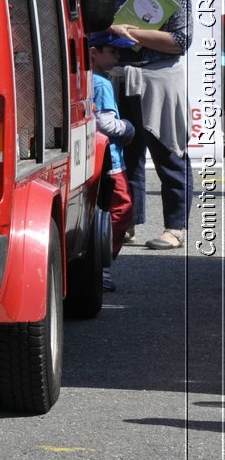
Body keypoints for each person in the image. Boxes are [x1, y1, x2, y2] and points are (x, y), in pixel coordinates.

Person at [110, 0, 193, 250]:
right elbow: (104, 28)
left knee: (168, 155)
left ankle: (175, 228)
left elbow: (181, 40)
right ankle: (129, 223)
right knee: (127, 158)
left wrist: (130, 31)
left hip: (158, 81)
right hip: (121, 77)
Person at [87, 31, 137, 289]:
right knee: (121, 210)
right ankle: (102, 267)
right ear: (94, 53)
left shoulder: (85, 79)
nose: (118, 55)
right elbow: (105, 123)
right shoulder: (102, 84)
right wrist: (128, 128)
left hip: (92, 159)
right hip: (111, 161)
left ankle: (96, 266)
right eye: (113, 51)